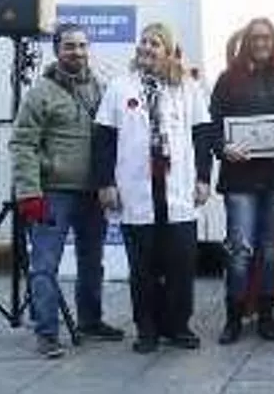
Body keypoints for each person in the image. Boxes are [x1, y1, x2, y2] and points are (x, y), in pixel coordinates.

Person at [92, 23, 213, 354]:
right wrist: (105, 183)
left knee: (181, 265)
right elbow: (104, 139)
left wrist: (204, 178)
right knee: (143, 268)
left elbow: (203, 136)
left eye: (155, 43)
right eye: (144, 41)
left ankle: (178, 327)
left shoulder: (187, 87)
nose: (146, 47)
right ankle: (147, 329)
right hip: (136, 189)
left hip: (178, 188)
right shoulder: (120, 87)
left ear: (168, 50)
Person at [9, 23, 125, 359]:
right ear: (57, 50)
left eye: (82, 46)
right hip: (52, 194)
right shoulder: (40, 93)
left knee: (92, 262)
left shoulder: (101, 88)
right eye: (70, 46)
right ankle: (47, 333)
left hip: (92, 193)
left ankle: (90, 321)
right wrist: (29, 193)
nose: (77, 52)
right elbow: (22, 144)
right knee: (45, 265)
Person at [210, 18, 274, 344]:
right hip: (239, 178)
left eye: (267, 38)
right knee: (240, 250)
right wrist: (223, 147)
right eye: (256, 37)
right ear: (247, 41)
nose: (262, 43)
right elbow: (211, 125)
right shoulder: (227, 79)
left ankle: (266, 316)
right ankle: (233, 318)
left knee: (270, 250)